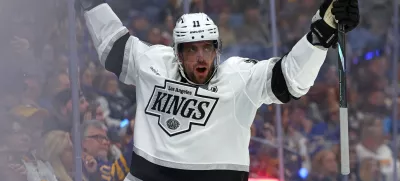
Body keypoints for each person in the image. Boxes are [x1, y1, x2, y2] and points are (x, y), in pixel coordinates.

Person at [76, 0, 359, 180]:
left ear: (217, 49)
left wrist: (320, 34)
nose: (201, 56)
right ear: (176, 52)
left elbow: (290, 79)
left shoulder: (238, 76)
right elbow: (112, 45)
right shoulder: (154, 62)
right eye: (192, 49)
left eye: (207, 47)